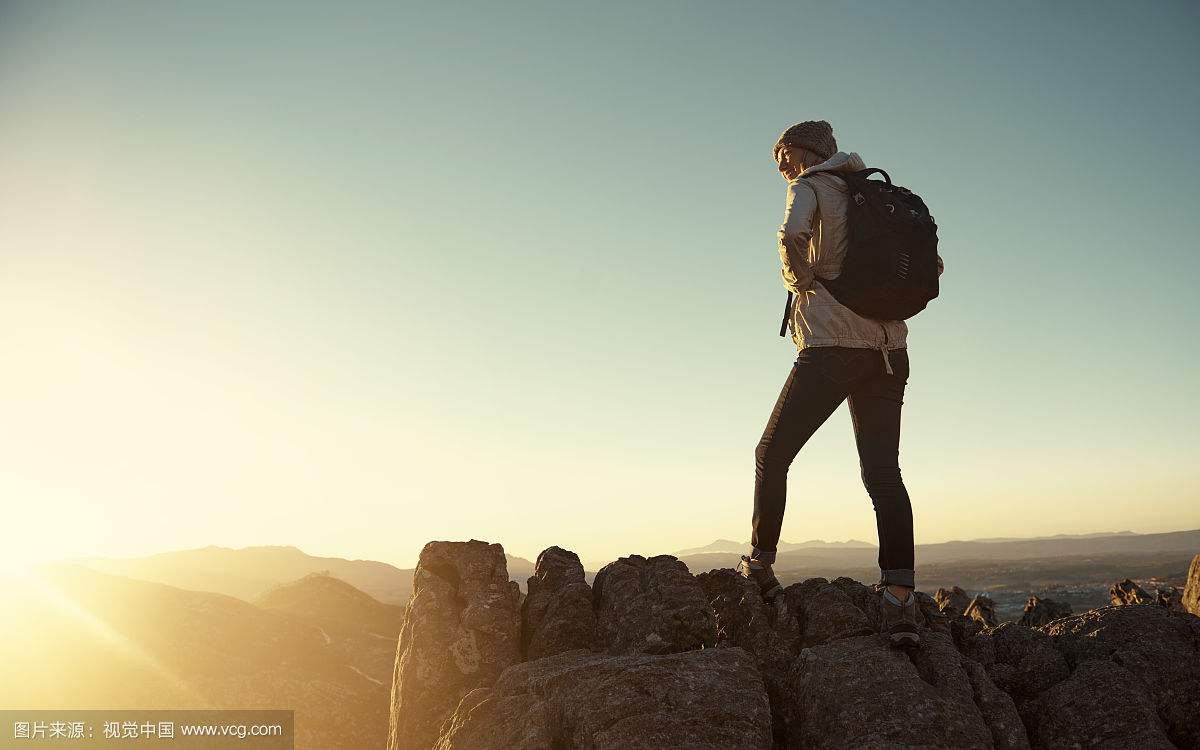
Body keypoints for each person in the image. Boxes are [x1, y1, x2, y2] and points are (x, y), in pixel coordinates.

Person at [736, 120, 943, 648]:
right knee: (883, 472)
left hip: (832, 348)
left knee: (771, 453)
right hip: (891, 355)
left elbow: (791, 236)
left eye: (784, 155)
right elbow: (933, 266)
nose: (781, 166)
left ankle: (758, 567)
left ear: (808, 152)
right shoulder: (878, 197)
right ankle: (899, 595)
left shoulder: (810, 187)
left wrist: (799, 279)